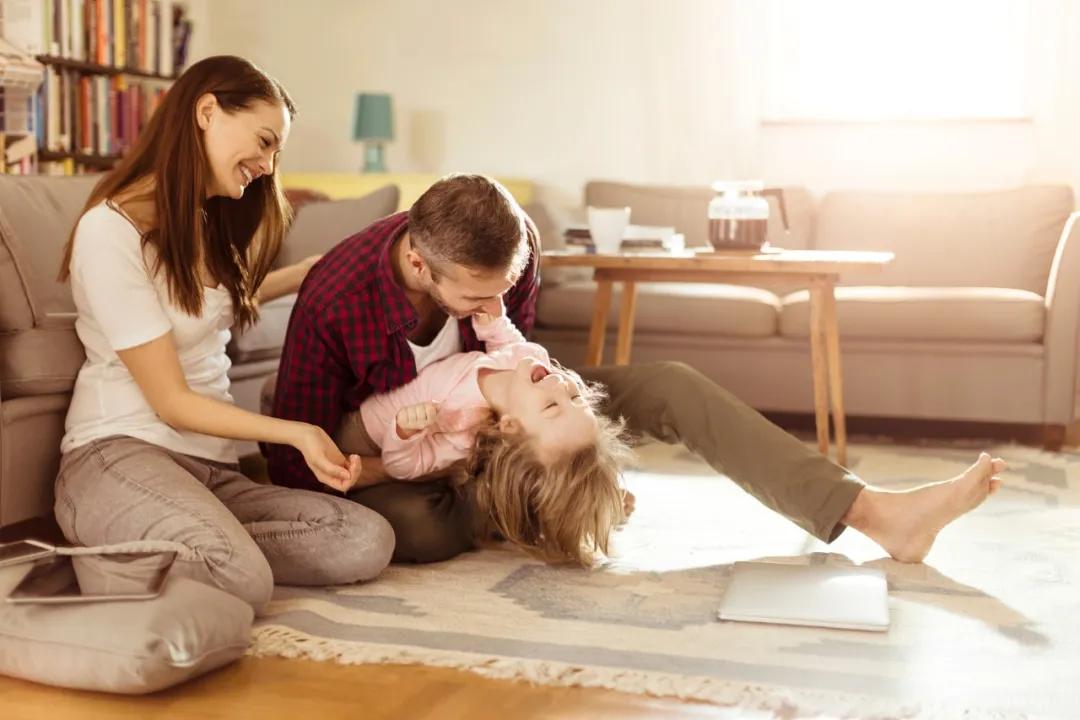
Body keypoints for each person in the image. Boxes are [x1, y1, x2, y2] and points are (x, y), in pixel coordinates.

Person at [266, 173, 1005, 566]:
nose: (492, 303)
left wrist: (552, 419)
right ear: (420, 264)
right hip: (416, 450)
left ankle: (878, 516)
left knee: (670, 384)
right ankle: (543, 504)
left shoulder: (509, 246)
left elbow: (524, 347)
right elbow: (294, 459)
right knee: (418, 529)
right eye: (474, 294)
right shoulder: (337, 295)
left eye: (502, 288)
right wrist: (392, 469)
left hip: (521, 397)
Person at [53, 56, 394, 614]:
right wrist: (298, 432)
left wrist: (307, 273)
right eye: (263, 142)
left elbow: (211, 310)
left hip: (211, 469)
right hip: (123, 452)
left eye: (275, 153)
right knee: (241, 580)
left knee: (364, 539)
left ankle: (197, 547)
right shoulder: (107, 233)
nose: (267, 165)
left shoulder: (201, 221)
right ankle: (136, 543)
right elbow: (171, 402)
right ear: (207, 111)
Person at [337, 308, 631, 566]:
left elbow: (405, 465)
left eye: (552, 405)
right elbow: (508, 344)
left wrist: (404, 433)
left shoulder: (461, 427)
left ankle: (558, 516)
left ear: (510, 426)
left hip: (366, 432)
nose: (559, 381)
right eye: (575, 395)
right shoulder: (532, 362)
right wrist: (493, 321)